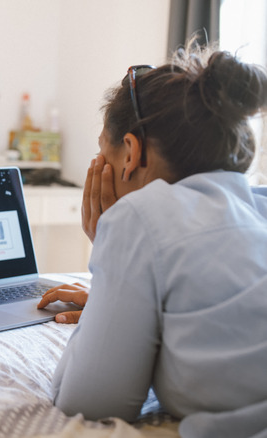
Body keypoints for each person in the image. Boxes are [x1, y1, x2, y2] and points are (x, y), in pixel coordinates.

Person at [36, 43, 267, 438]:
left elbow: (86, 401)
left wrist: (107, 248)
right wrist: (121, 295)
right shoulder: (258, 206)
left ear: (131, 152)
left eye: (100, 154)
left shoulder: (139, 219)